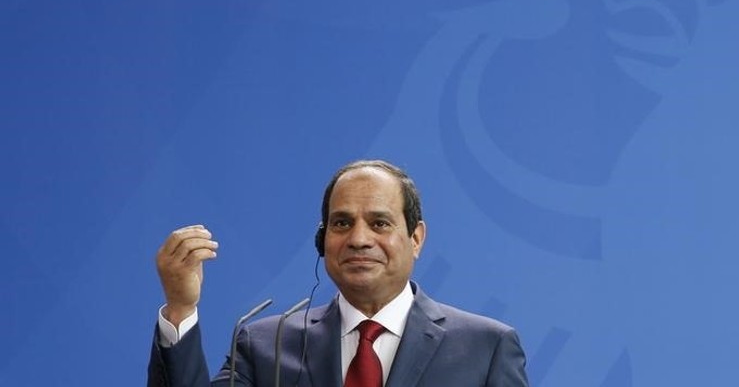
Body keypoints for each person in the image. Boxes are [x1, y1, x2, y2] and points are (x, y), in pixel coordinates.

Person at [148, 159, 529, 386]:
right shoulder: (266, 346)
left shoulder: (486, 348)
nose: (358, 239)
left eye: (379, 224)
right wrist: (180, 307)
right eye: (342, 223)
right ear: (323, 239)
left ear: (415, 237)